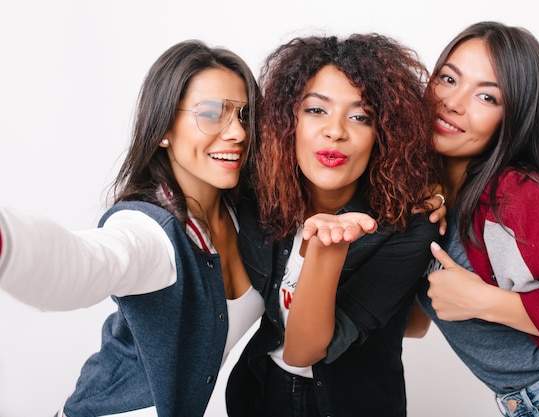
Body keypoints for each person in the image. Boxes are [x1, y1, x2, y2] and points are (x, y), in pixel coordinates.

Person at [0, 39, 265, 417]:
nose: (237, 132)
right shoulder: (149, 230)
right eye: (211, 113)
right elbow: (82, 264)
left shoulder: (245, 214)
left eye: (244, 115)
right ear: (163, 129)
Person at [407, 21, 539, 416]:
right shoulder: (429, 197)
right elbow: (413, 326)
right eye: (448, 78)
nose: (454, 102)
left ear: (515, 116)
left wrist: (488, 302)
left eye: (487, 97)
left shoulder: (514, 197)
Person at [224, 33, 441, 417]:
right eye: (316, 110)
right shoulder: (256, 198)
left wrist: (326, 246)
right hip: (258, 393)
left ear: (384, 135)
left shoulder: (409, 226)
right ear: (286, 119)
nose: (336, 130)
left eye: (361, 117)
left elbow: (304, 350)